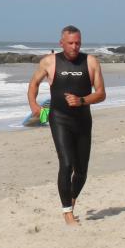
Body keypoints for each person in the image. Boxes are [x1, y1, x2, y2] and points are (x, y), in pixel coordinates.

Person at [27, 25, 107, 226]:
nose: (74, 47)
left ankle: (70, 201)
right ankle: (67, 213)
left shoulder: (91, 62)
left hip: (83, 120)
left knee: (81, 171)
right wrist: (35, 106)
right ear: (61, 43)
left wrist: (82, 100)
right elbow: (33, 84)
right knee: (66, 163)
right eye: (70, 43)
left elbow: (101, 94)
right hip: (58, 118)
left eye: (78, 43)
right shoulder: (49, 62)